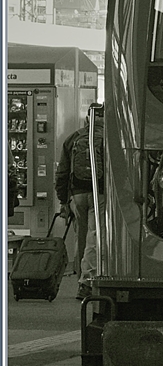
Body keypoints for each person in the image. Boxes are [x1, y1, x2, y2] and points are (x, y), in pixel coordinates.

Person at [55, 107, 104, 298]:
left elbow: (62, 173)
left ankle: (79, 280)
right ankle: (86, 280)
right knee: (94, 236)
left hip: (77, 194)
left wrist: (63, 201)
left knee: (81, 237)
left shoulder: (73, 138)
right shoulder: (108, 138)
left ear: (86, 119)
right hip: (99, 193)